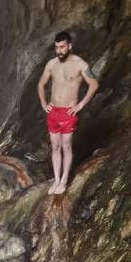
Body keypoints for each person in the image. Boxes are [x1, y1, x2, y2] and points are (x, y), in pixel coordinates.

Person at [36, 31, 99, 195]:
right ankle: (56, 179)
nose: (59, 51)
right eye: (57, 47)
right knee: (55, 146)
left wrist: (80, 105)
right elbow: (41, 84)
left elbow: (94, 84)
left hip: (68, 112)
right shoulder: (51, 64)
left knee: (66, 146)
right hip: (53, 111)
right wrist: (44, 103)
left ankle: (64, 180)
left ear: (70, 46)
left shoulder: (80, 64)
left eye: (62, 47)